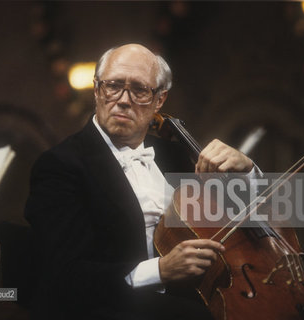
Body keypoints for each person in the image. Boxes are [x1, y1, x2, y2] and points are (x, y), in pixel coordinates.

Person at [24, 44, 255, 319]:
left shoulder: (176, 155)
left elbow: (248, 218)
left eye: (139, 90)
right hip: (110, 307)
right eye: (113, 86)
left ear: (159, 100)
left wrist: (248, 172)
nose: (123, 99)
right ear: (97, 90)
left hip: (194, 295)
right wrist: (160, 270)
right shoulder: (60, 166)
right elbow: (65, 274)